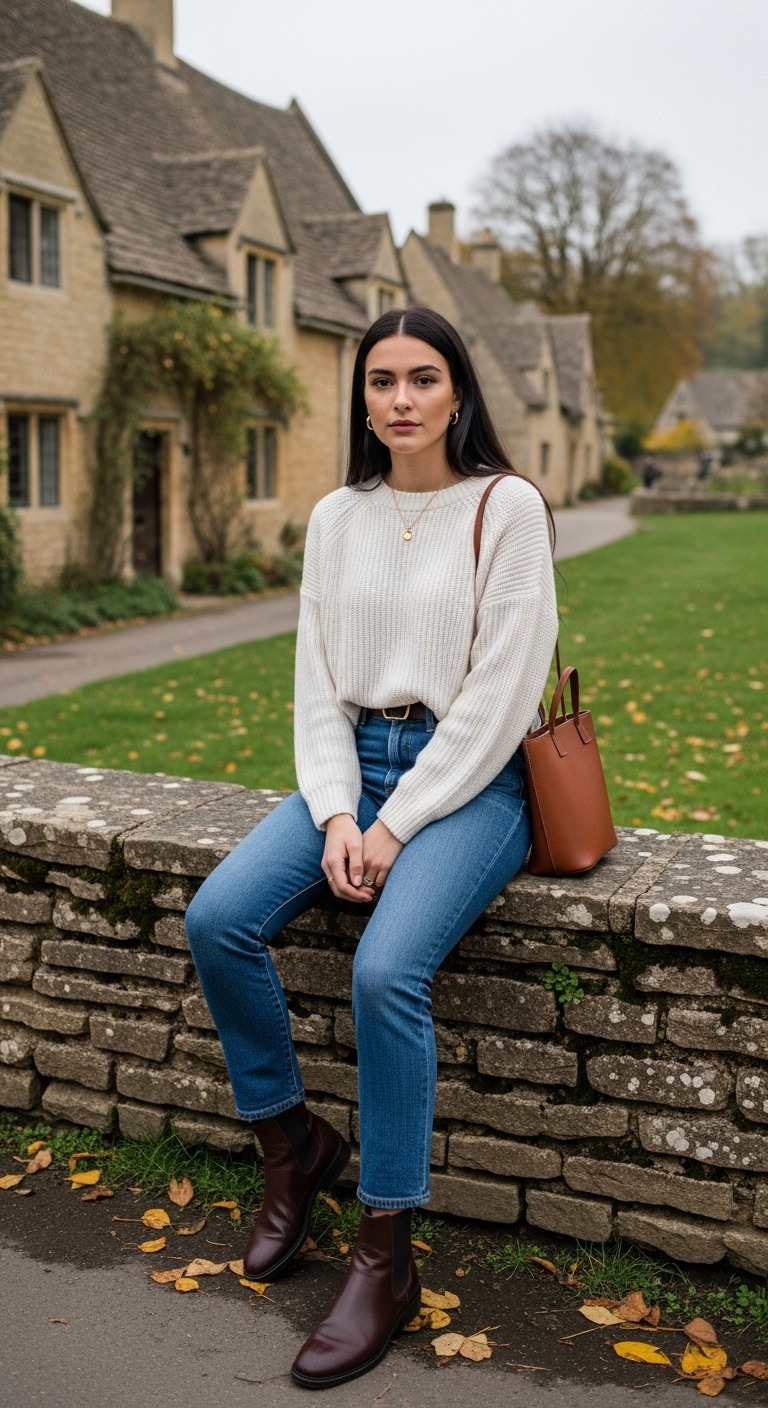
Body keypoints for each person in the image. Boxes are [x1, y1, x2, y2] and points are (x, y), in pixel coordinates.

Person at [185, 306, 558, 1389]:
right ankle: (292, 1146)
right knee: (218, 917)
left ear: (458, 392)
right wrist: (342, 812)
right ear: (361, 395)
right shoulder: (336, 517)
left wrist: (398, 825)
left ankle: (385, 1254)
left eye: (423, 378)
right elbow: (317, 683)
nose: (400, 398)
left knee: (386, 968)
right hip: (356, 767)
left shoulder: (508, 506)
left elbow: (499, 698)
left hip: (473, 781)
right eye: (382, 379)